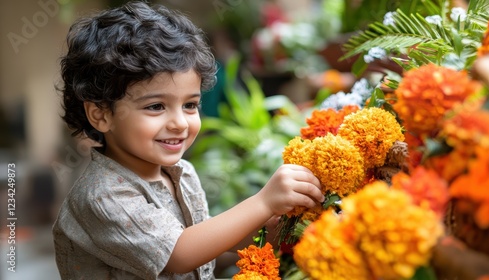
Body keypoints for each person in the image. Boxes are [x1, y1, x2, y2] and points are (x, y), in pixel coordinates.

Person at [52, 1, 324, 279]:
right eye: (156, 106)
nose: (180, 123)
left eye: (190, 105)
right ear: (101, 115)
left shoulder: (182, 173)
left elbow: (208, 241)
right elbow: (179, 254)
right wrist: (263, 202)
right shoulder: (102, 196)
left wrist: (276, 226)